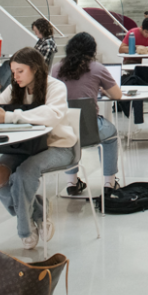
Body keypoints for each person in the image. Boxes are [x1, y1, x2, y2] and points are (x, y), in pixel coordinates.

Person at [0, 48, 77, 249]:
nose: (16, 76)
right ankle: (38, 211)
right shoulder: (15, 88)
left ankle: (25, 228)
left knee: (24, 172)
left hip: (59, 146)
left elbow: (51, 114)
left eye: (20, 71)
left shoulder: (55, 87)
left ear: (35, 69)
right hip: (25, 147)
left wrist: (10, 117)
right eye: (13, 72)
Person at [51, 33, 122, 194]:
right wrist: (102, 90)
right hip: (89, 127)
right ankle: (109, 184)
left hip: (63, 126)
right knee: (110, 136)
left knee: (70, 139)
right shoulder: (97, 68)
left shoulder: (56, 69)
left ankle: (71, 183)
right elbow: (117, 95)